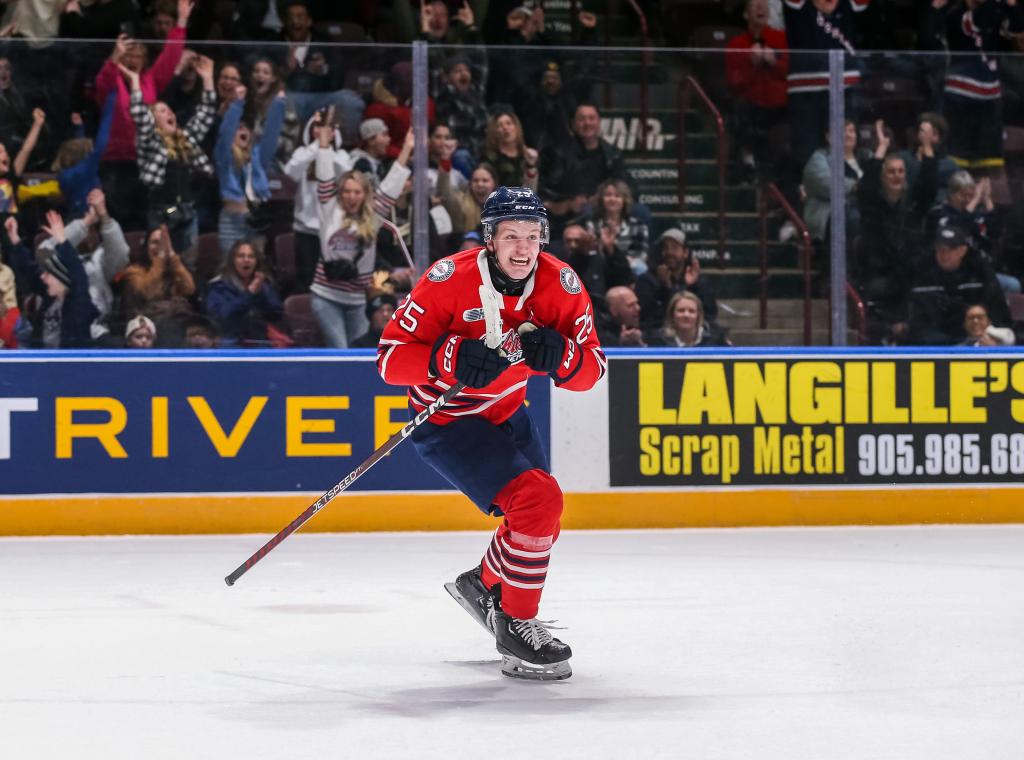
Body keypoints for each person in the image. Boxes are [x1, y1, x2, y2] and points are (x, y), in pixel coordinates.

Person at [376, 187, 605, 681]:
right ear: (489, 240)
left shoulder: (561, 285)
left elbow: (593, 371)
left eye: (532, 236)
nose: (523, 249)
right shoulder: (448, 280)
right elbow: (388, 361)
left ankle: (483, 586)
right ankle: (516, 625)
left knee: (540, 516)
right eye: (510, 237)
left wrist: (563, 357)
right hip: (446, 419)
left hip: (506, 412)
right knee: (539, 502)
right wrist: (444, 356)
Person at [312, 112, 412, 347]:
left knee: (359, 352)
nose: (351, 197)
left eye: (357, 192)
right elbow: (324, 175)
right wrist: (324, 142)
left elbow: (391, 186)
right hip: (326, 295)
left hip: (357, 298)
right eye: (346, 191)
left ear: (364, 194)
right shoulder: (329, 209)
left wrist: (407, 148)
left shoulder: (373, 215)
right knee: (340, 351)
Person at [124, 54, 216, 257]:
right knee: (161, 262)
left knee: (188, 265)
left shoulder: (186, 139)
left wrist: (208, 79)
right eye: (162, 111)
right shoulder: (150, 141)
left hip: (188, 211)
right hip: (162, 213)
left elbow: (206, 114)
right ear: (153, 120)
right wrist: (135, 82)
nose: (169, 114)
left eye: (169, 111)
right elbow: (139, 113)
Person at [37, 188, 130, 344]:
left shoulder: (100, 261)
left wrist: (104, 217)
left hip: (96, 332)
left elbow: (120, 254)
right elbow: (44, 252)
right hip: (60, 330)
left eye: (94, 230)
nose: (89, 235)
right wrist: (85, 223)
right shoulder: (59, 260)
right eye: (87, 230)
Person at [4, 211, 97, 348]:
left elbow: (78, 273)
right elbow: (30, 271)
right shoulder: (50, 298)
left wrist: (63, 241)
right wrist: (15, 240)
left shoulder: (79, 304)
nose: (42, 276)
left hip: (72, 366)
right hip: (43, 365)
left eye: (48, 273)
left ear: (61, 279)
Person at [284, 108, 352, 293]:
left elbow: (347, 173)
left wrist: (326, 150)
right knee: (307, 279)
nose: (320, 131)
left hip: (332, 230)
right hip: (305, 229)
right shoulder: (302, 153)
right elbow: (291, 172)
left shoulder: (342, 156)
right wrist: (316, 147)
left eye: (325, 128)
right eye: (316, 127)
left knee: (332, 278)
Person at [904, 225, 1010, 344]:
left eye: (950, 249)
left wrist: (993, 338)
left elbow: (997, 307)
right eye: (939, 249)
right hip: (931, 341)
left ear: (962, 250)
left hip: (971, 339)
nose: (944, 254)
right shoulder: (922, 271)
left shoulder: (979, 271)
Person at [214, 82, 286, 254]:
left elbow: (271, 135)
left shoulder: (258, 157)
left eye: (246, 128)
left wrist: (279, 104)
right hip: (232, 221)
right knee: (229, 266)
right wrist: (237, 104)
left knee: (256, 268)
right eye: (238, 129)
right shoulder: (223, 157)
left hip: (256, 220)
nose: (243, 130)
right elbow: (225, 134)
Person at [635, 228, 718, 330]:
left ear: (685, 252)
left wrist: (691, 286)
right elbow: (647, 318)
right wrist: (665, 289)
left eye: (674, 247)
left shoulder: (699, 281)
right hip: (660, 338)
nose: (669, 252)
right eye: (665, 248)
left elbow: (710, 315)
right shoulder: (647, 281)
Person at [205, 239, 284, 346]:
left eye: (251, 256)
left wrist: (262, 293)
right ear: (233, 260)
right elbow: (223, 317)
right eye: (241, 256)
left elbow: (277, 313)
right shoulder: (219, 286)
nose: (246, 260)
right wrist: (249, 294)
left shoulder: (262, 284)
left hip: (259, 341)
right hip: (229, 342)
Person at [576, 178, 649, 275]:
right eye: (608, 195)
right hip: (599, 271)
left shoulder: (638, 225)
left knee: (640, 267)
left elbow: (640, 256)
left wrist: (618, 258)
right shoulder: (591, 224)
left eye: (617, 196)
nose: (612, 199)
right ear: (602, 199)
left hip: (627, 271)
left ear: (624, 200)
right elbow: (591, 254)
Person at [646, 290, 732, 347]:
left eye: (691, 311)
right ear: (672, 314)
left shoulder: (716, 339)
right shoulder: (658, 340)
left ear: (698, 315)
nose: (686, 315)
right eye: (681, 310)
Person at [482, 109, 539, 191]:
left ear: (516, 127)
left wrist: (531, 165)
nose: (505, 128)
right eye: (499, 125)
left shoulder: (528, 155)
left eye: (509, 123)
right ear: (495, 132)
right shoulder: (489, 158)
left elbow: (533, 190)